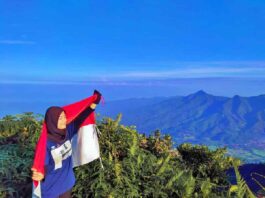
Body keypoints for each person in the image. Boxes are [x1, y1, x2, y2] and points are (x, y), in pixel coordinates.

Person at [31, 90, 102, 198]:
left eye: (64, 116)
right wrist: (41, 174)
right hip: (51, 188)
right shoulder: (46, 143)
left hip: (66, 183)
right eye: (60, 118)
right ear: (52, 121)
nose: (64, 120)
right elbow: (43, 164)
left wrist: (93, 104)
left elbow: (80, 118)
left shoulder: (67, 131)